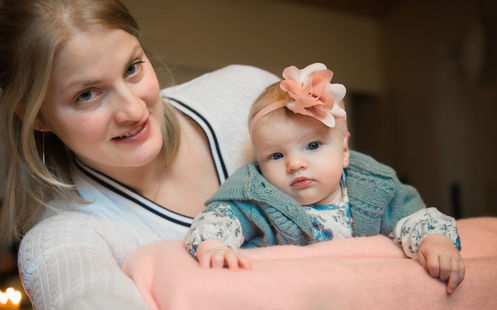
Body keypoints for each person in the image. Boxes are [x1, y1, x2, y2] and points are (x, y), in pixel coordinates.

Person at [0, 0, 277, 309]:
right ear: (36, 116)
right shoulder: (63, 238)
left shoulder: (249, 96)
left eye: (132, 68)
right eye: (87, 95)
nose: (133, 110)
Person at [184, 63, 464, 293]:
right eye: (276, 156)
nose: (295, 164)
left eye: (313, 146)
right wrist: (215, 245)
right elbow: (220, 217)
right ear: (259, 163)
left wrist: (434, 241)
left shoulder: (372, 188)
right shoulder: (258, 197)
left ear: (344, 152)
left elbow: (411, 216)